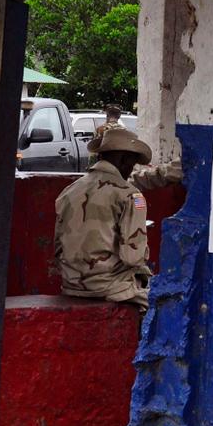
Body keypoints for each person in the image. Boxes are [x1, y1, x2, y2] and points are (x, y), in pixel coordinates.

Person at [55, 127, 155, 310]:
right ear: (124, 160)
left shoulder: (69, 190)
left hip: (71, 284)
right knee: (163, 308)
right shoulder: (131, 195)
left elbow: (58, 247)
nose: (131, 170)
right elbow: (133, 257)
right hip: (109, 287)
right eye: (132, 164)